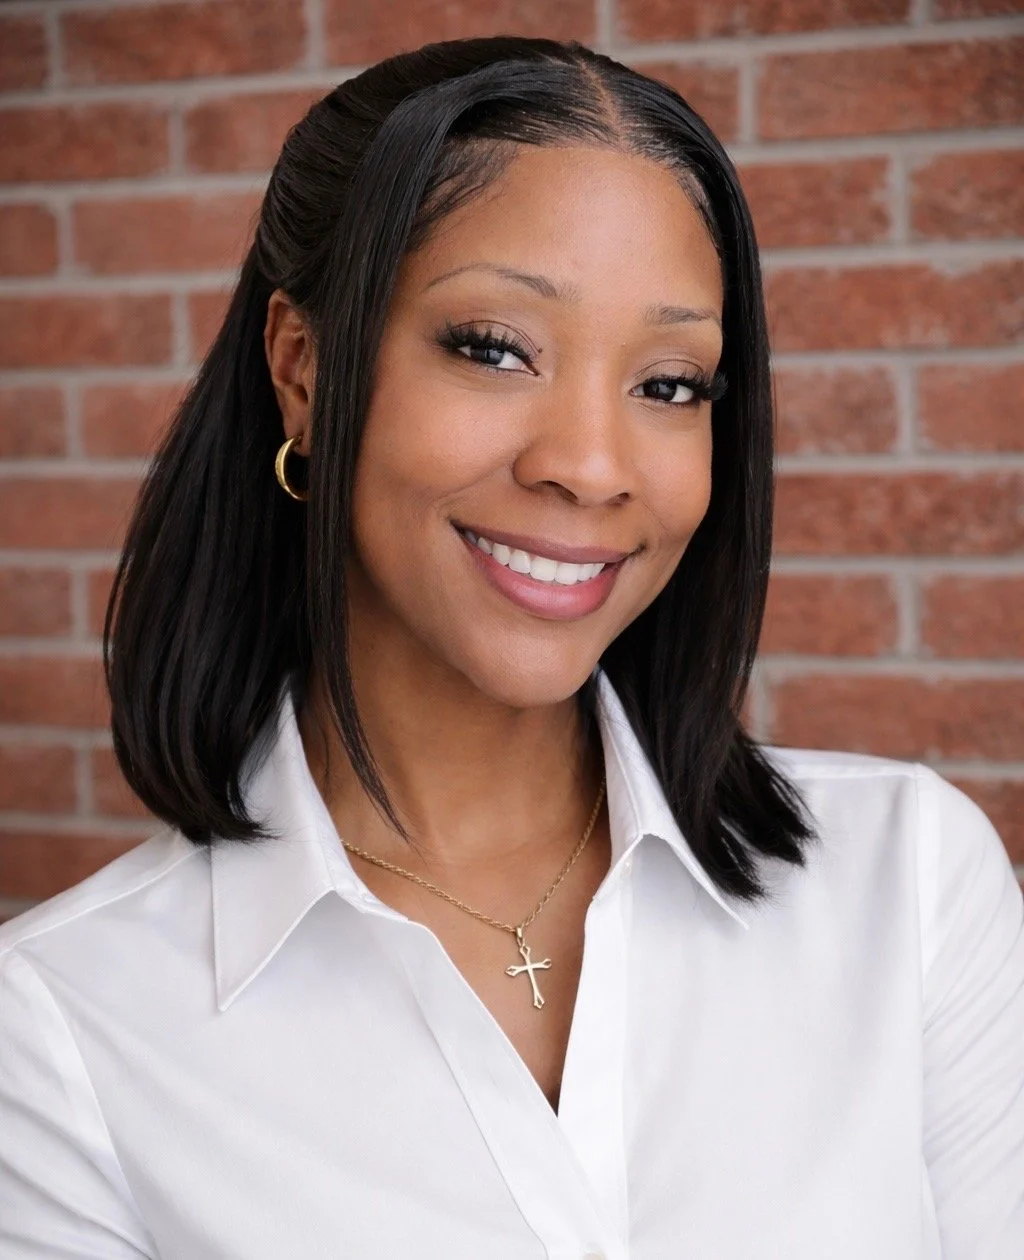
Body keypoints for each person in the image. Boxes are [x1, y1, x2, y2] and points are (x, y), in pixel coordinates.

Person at [0, 34, 1021, 1260]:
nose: (588, 465)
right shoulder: (56, 1034)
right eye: (493, 347)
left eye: (669, 383)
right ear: (302, 370)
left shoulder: (905, 887)